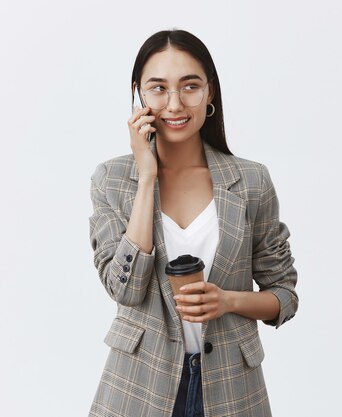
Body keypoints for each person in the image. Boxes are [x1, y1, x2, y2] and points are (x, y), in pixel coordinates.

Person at [88, 29, 298, 417]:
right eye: (158, 88)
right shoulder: (113, 179)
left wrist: (228, 301)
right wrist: (147, 176)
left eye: (190, 86)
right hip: (138, 386)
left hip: (232, 388)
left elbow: (284, 298)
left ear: (210, 92)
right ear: (138, 93)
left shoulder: (251, 181)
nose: (174, 103)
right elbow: (125, 289)